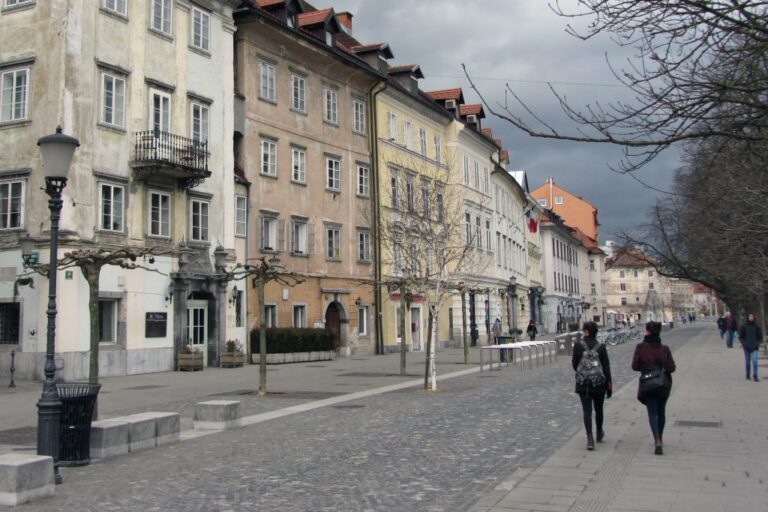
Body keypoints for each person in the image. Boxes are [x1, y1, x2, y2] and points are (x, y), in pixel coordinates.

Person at [632, 321, 676, 455]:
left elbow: (635, 366)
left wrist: (646, 369)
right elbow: (671, 368)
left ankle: (656, 437)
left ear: (648, 331)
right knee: (661, 412)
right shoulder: (664, 348)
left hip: (648, 383)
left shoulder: (641, 347)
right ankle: (660, 438)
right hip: (663, 384)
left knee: (652, 413)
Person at [572, 321, 612, 451]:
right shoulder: (601, 347)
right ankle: (599, 433)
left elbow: (574, 365)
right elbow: (606, 367)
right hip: (599, 384)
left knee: (587, 411)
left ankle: (589, 438)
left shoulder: (578, 346)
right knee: (599, 409)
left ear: (586, 332)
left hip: (583, 383)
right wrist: (609, 385)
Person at [739, 313, 763, 382]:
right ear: (748, 317)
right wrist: (744, 343)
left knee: (755, 361)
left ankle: (755, 375)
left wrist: (757, 343)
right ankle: (748, 374)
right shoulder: (744, 326)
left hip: (754, 347)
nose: (751, 317)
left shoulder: (757, 326)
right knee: (747, 362)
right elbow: (741, 336)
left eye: (752, 316)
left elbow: (760, 337)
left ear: (754, 317)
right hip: (746, 347)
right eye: (749, 316)